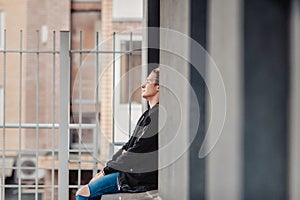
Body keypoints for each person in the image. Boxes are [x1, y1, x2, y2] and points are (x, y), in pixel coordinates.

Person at [76, 68, 160, 200]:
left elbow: (137, 151)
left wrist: (106, 171)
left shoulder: (156, 115)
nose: (143, 85)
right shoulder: (148, 114)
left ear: (158, 87)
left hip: (139, 177)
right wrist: (107, 168)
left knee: (83, 193)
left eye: (149, 81)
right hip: (132, 172)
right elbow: (128, 146)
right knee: (91, 189)